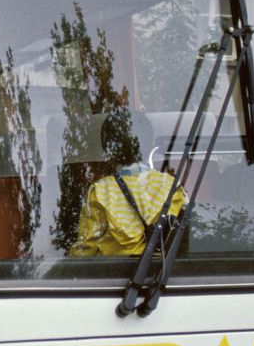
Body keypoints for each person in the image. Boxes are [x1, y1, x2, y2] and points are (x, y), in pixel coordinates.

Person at [69, 109, 186, 257]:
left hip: (113, 275)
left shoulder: (100, 192)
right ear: (148, 145)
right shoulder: (171, 186)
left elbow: (85, 251)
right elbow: (183, 239)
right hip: (166, 275)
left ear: (108, 149)